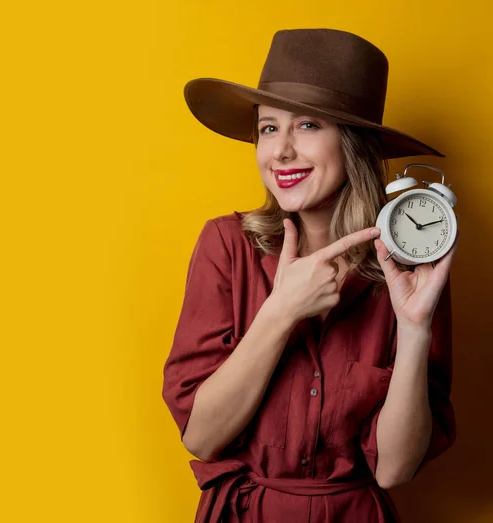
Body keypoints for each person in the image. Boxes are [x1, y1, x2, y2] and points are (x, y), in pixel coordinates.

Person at [162, 28, 458, 523]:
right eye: (268, 129)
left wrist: (414, 327)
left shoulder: (412, 260)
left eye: (306, 126)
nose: (279, 152)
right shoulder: (226, 246)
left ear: (353, 143)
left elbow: (396, 469)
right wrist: (280, 313)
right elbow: (202, 436)